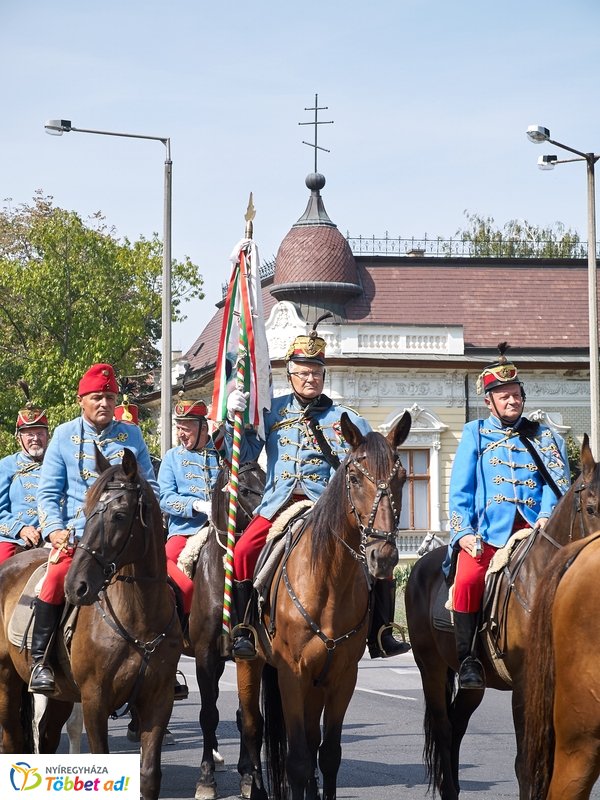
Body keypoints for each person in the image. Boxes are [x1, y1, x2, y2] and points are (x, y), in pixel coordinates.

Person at [224, 319, 411, 660]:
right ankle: (245, 630)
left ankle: (382, 632)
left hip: (328, 507)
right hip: (280, 505)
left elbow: (371, 464)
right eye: (303, 372)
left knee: (380, 557)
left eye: (316, 372)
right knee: (243, 551)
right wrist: (232, 418)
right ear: (290, 374)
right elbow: (243, 454)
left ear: (324, 375)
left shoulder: (346, 417)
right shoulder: (271, 411)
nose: (310, 378)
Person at [447, 343, 571, 690]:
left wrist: (547, 515)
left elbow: (557, 482)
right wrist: (464, 533)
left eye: (516, 395)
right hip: (490, 533)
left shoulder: (545, 436)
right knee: (468, 579)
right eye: (504, 397)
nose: (513, 401)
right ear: (490, 401)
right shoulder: (475, 434)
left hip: (538, 529)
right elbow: (461, 490)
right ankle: (469, 659)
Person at [30, 363, 159, 694]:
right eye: (97, 397)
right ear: (82, 400)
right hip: (79, 535)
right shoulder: (62, 435)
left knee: (167, 583)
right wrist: (54, 529)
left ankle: (164, 663)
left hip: (123, 537)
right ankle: (41, 662)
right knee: (54, 580)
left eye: (110, 397)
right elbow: (47, 492)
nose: (104, 403)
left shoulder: (131, 435)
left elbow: (151, 487)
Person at [158, 398, 221, 628]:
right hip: (185, 531)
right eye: (178, 427)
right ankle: (177, 624)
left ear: (203, 428)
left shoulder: (221, 455)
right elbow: (165, 498)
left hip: (220, 530)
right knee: (162, 561)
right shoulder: (172, 458)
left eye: (186, 428)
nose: (180, 434)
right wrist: (196, 505)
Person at [0, 398, 49, 563]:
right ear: (18, 438)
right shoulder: (6, 465)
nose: (35, 438)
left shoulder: (59, 464)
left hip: (54, 535)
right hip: (15, 538)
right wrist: (20, 530)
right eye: (29, 434)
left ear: (47, 436)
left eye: (40, 433)